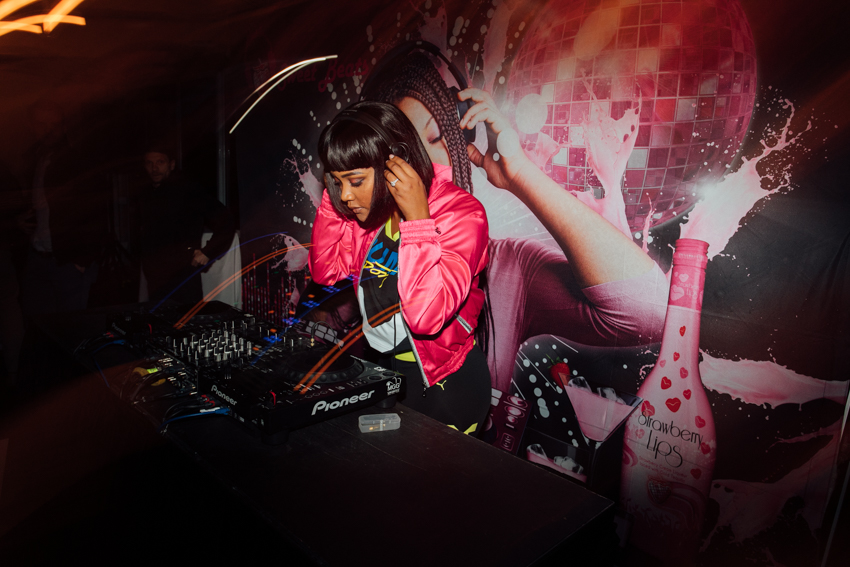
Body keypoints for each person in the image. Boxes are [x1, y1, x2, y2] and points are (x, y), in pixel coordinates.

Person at [368, 49, 669, 392]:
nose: (427, 166)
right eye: (404, 151)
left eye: (437, 138)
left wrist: (520, 175)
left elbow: (649, 313)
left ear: (461, 137)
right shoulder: (359, 255)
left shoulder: (507, 268)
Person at [309, 101, 491, 435]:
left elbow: (426, 318)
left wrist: (418, 220)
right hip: (386, 372)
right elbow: (326, 271)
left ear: (397, 164)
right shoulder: (368, 213)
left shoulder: (462, 214)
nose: (346, 195)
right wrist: (333, 200)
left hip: (445, 386)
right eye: (337, 181)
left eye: (355, 181)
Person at [135, 147, 235, 305]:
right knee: (159, 317)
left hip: (182, 273)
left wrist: (208, 251)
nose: (154, 168)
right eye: (149, 163)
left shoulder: (188, 190)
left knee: (187, 316)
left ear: (171, 164)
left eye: (160, 162)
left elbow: (225, 221)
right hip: (154, 275)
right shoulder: (145, 194)